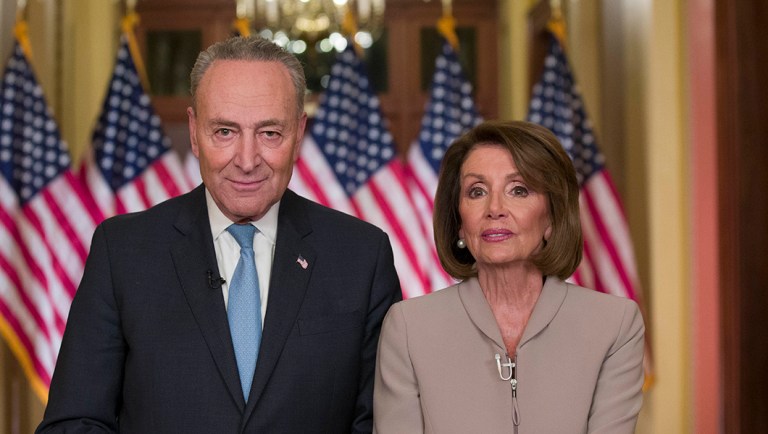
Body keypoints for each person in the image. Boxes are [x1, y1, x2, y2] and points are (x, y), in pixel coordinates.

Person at [37, 35, 401, 433]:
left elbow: (382, 425)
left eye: (269, 133)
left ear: (298, 134)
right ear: (194, 132)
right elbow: (73, 423)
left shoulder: (361, 256)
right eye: (225, 131)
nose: (246, 161)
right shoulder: (123, 252)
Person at [373, 120, 645, 433]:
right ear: (460, 223)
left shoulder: (615, 324)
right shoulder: (408, 328)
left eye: (518, 190)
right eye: (477, 191)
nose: (495, 208)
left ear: (552, 216)